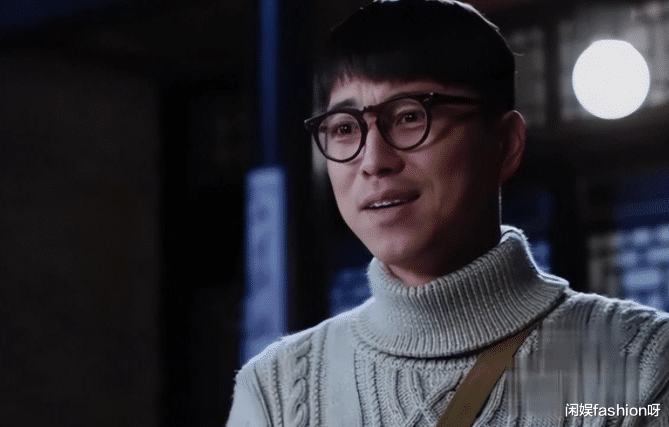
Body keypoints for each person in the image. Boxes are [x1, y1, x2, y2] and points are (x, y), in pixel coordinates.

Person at [227, 1, 669, 425]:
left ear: (505, 144)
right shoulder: (276, 391)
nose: (373, 161)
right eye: (344, 128)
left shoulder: (641, 368)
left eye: (409, 117)